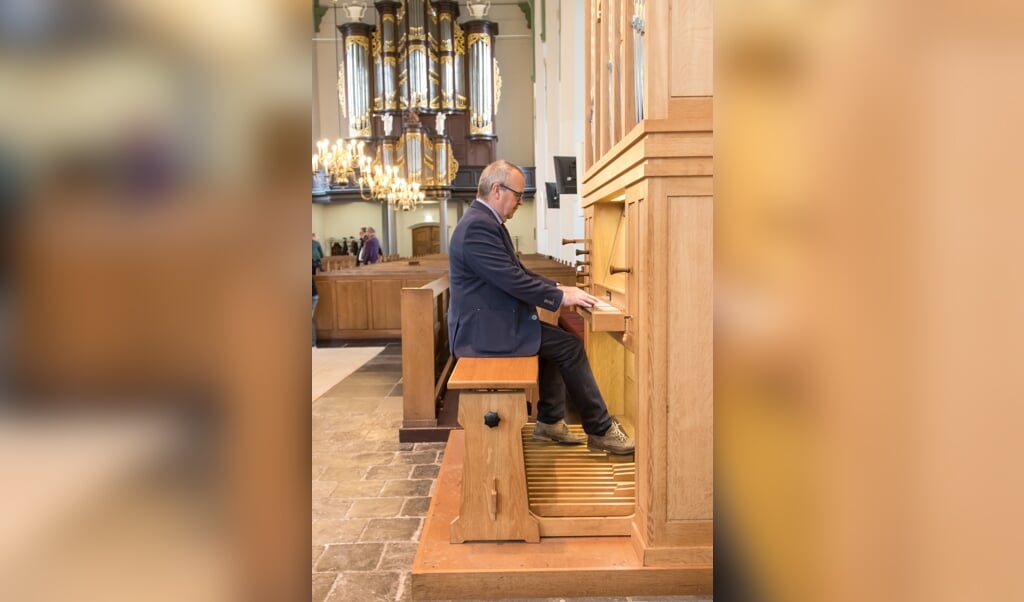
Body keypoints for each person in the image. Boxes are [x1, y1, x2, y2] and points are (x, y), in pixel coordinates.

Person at [447, 160, 635, 454]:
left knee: (557, 344)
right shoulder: (477, 228)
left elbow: (518, 273)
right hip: (482, 333)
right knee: (569, 347)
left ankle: (550, 421)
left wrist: (560, 289)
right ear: (496, 189)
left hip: (491, 323)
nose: (521, 201)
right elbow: (512, 281)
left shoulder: (486, 222)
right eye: (518, 194)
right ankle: (600, 431)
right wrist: (560, 298)